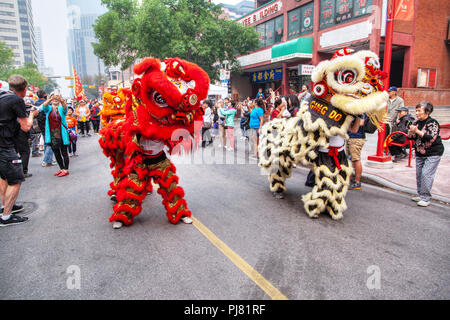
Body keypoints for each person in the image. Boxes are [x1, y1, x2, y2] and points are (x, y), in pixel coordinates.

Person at [0, 75, 39, 226]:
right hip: (6, 145)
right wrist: (31, 114)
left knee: (4, 177)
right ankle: (6, 216)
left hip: (2, 143)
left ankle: (5, 207)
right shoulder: (16, 100)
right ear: (23, 90)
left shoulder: (2, 96)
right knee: (16, 179)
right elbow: (26, 126)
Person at [408, 101, 444, 207]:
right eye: (416, 110)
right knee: (419, 174)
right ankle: (420, 194)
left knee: (426, 174)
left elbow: (431, 138)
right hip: (420, 152)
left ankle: (426, 198)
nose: (417, 113)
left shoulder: (433, 122)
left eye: (419, 111)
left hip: (433, 152)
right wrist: (410, 133)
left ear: (427, 112)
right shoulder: (417, 122)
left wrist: (417, 131)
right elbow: (411, 138)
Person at [40, 93, 70, 177]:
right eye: (54, 98)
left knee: (64, 153)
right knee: (56, 153)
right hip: (52, 136)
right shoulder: (48, 109)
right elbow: (44, 106)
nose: (55, 99)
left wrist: (60, 99)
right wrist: (50, 99)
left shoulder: (62, 109)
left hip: (62, 135)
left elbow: (65, 107)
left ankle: (66, 169)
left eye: (57, 98)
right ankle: (61, 168)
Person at [346, 115, 367, 190]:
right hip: (349, 136)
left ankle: (357, 182)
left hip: (357, 138)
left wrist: (349, 121)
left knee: (355, 159)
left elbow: (361, 123)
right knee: (348, 159)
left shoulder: (361, 111)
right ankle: (349, 180)